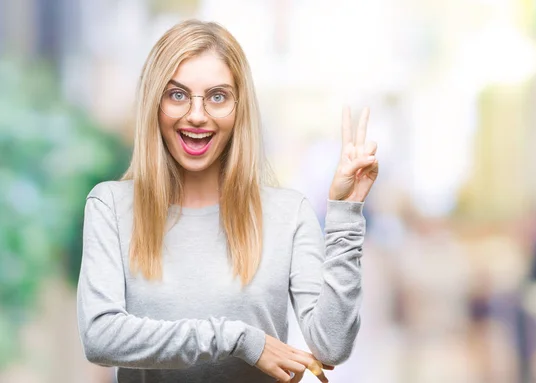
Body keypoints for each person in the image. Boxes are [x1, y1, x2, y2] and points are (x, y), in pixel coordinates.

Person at [76, 19, 378, 383]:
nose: (198, 115)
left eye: (217, 96)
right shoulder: (110, 207)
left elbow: (332, 346)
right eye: (177, 95)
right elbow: (100, 336)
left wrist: (345, 216)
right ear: (154, 104)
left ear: (239, 109)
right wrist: (238, 339)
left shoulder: (288, 214)